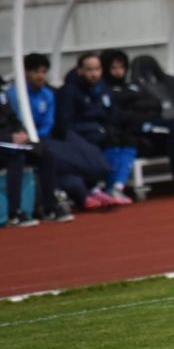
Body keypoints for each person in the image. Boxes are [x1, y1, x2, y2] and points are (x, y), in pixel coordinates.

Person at [101, 49, 174, 196]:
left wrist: (136, 106)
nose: (119, 71)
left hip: (153, 121)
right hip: (137, 129)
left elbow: (155, 104)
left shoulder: (133, 86)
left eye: (121, 67)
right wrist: (139, 109)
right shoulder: (105, 91)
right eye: (114, 68)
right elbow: (120, 115)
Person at [12, 54, 112, 210]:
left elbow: (49, 122)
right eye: (36, 72)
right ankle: (85, 192)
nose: (40, 76)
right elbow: (17, 122)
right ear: (25, 73)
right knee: (56, 156)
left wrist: (42, 134)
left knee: (84, 150)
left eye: (44, 72)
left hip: (47, 135)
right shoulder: (15, 94)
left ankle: (90, 186)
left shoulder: (48, 94)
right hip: (28, 141)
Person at [55, 52, 136, 204]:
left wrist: (109, 128)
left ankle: (116, 187)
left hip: (101, 131)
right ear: (80, 71)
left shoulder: (103, 89)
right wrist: (96, 129)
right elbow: (65, 123)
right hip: (80, 136)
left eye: (97, 69)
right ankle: (100, 188)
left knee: (126, 139)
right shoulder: (69, 91)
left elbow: (112, 115)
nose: (94, 74)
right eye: (89, 70)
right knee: (106, 140)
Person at [0, 86, 72, 226]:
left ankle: (49, 208)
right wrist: (9, 138)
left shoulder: (2, 94)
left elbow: (13, 118)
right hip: (5, 144)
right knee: (17, 156)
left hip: (12, 142)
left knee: (45, 154)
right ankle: (14, 213)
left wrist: (21, 132)